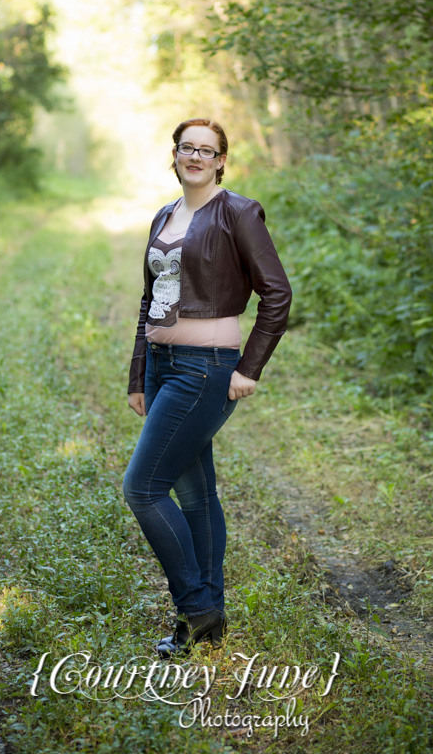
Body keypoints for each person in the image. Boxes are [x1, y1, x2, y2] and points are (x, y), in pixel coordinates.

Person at [124, 117, 292, 657]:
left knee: (143, 488)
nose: (195, 156)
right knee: (195, 494)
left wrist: (249, 368)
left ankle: (195, 606)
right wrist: (138, 374)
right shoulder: (164, 216)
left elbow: (277, 294)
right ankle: (210, 623)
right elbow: (150, 303)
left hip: (206, 367)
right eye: (186, 147)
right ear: (173, 155)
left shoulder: (239, 213)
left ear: (221, 160)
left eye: (207, 149)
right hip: (163, 362)